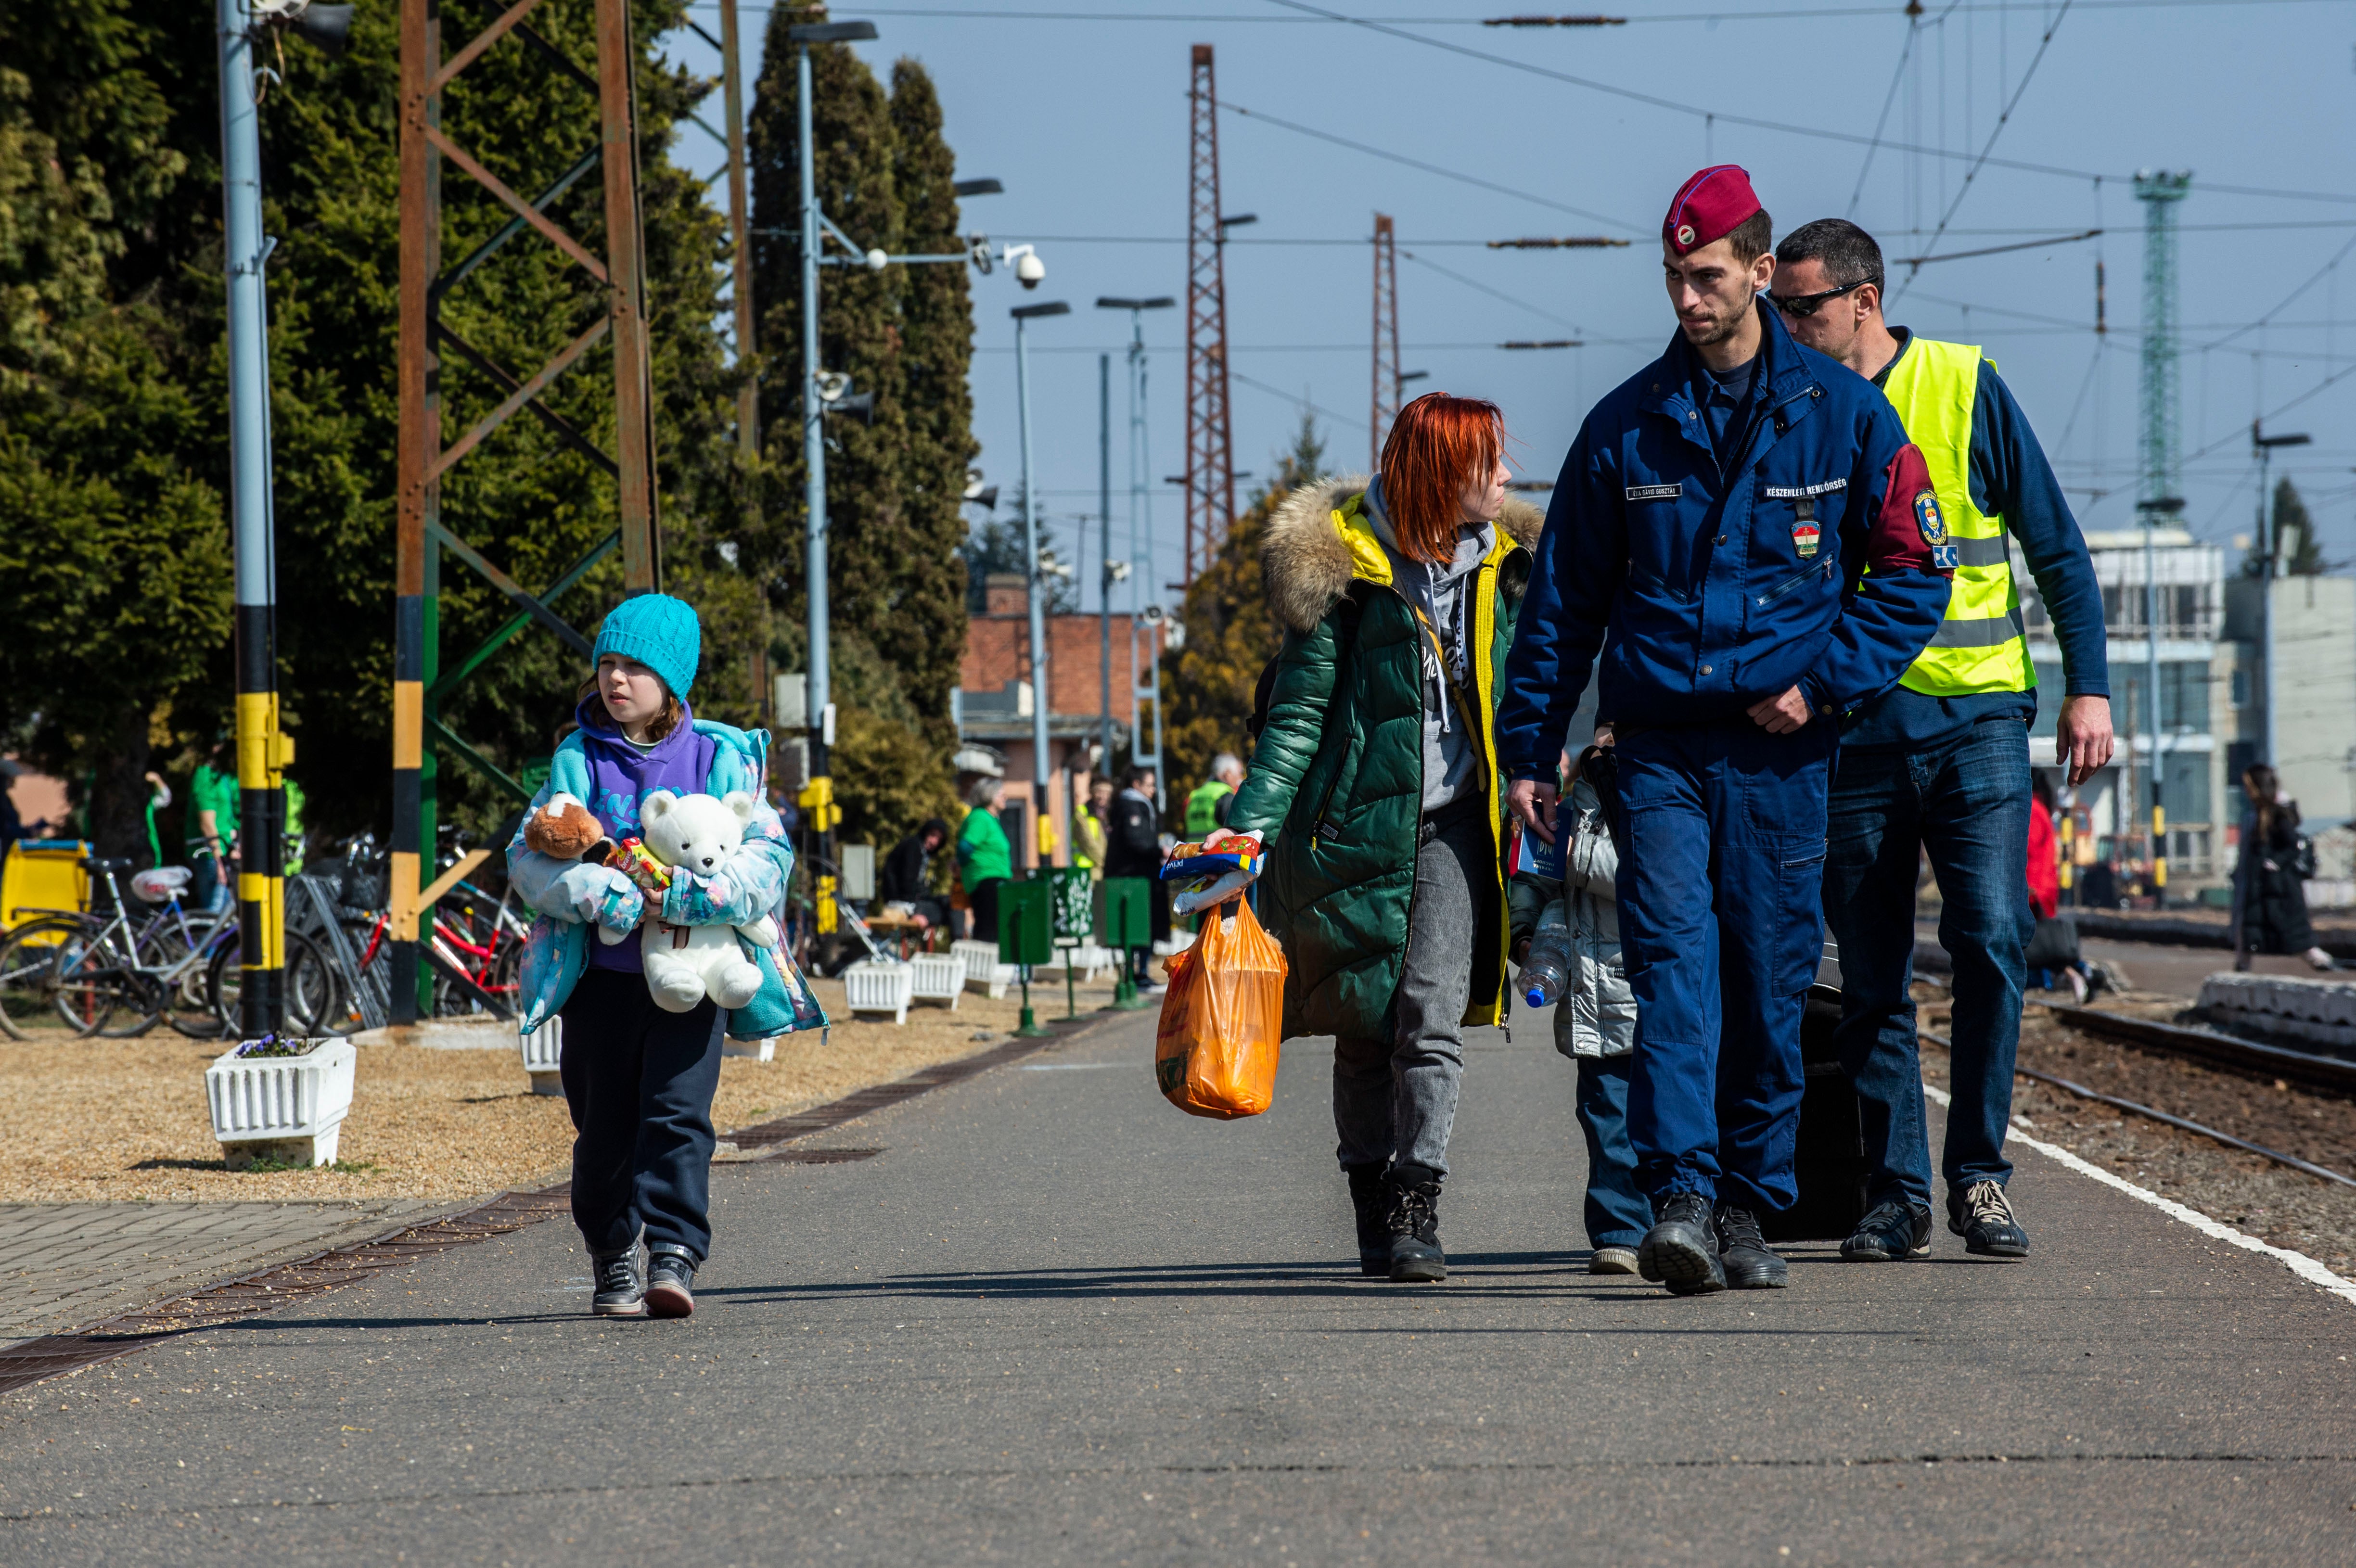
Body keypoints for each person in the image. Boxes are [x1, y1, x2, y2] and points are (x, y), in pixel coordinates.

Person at [1498, 167, 1952, 1297]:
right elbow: (1559, 606)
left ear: (1758, 271)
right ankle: (1682, 1198)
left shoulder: (1846, 417)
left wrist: (1824, 686)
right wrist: (1527, 753)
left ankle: (1751, 1201)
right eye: (1673, 277)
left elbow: (1912, 570)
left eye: (1706, 277)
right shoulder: (1625, 428)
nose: (1686, 299)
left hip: (1780, 753)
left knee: (1767, 981)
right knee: (1669, 972)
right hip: (1656, 751)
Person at [1769, 217, 2114, 1265]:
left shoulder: (1965, 386)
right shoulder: (1793, 407)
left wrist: (2087, 689)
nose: (1784, 325)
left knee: (1994, 941)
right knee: (1869, 978)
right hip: (1853, 735)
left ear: (1863, 301)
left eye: (1803, 308)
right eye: (1778, 309)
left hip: (1978, 724)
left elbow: (2054, 544)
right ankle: (1898, 1193)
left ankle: (1979, 1178)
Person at [1221, 390, 1541, 1284]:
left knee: (1429, 1017)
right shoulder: (1347, 573)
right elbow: (1295, 717)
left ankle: (1416, 1197)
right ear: (1444, 475)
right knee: (1366, 1024)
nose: (1509, 476)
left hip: (1457, 826)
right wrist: (1246, 834)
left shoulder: (1510, 566)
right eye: (1491, 462)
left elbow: (1544, 684)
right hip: (1351, 826)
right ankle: (1369, 1187)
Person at [506, 593, 798, 1320]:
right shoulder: (575, 759)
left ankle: (673, 1252)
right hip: (600, 984)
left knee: (677, 1116)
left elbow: (769, 853)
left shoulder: (720, 755)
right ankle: (612, 1254)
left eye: (635, 666)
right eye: (607, 663)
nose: (616, 679)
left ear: (672, 679)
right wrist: (597, 891)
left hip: (693, 981)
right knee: (603, 1125)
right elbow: (530, 853)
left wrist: (702, 897)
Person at [1509, 744, 1648, 1275]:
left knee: (1665, 1112)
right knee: (1607, 1117)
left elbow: (1654, 871)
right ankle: (1620, 1228)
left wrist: (1578, 856)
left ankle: (1678, 1211)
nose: (1612, 739)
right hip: (1595, 997)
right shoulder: (1568, 804)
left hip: (1649, 988)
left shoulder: (1661, 794)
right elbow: (1536, 877)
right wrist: (1524, 934)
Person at [2231, 764, 2335, 972]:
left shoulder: (2278, 814)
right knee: (2251, 930)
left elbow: (2292, 846)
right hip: (2263, 887)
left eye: (2249, 786)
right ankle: (2243, 964)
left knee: (2290, 931)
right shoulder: (2256, 814)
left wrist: (2273, 864)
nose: (2246, 790)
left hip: (2279, 889)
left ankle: (2319, 960)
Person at [2024, 773, 2095, 1004]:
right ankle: (2080, 975)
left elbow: (2029, 851)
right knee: (2046, 947)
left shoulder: (2031, 810)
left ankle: (2081, 974)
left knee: (2040, 946)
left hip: (2033, 891)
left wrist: (2028, 888)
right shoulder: (2040, 809)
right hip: (2040, 889)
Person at [1104, 766, 1165, 990]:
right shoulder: (1133, 806)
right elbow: (1136, 840)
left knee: (1134, 927)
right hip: (1135, 877)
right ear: (1137, 785)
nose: (1153, 790)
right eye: (1150, 785)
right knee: (1140, 925)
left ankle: (1136, 973)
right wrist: (1160, 851)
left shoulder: (1128, 805)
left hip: (1130, 876)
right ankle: (1139, 974)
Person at [956, 779, 1012, 943]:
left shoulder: (991, 819)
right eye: (1001, 794)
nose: (1005, 797)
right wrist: (961, 864)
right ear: (989, 797)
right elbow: (965, 847)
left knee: (994, 928)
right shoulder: (980, 817)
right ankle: (987, 965)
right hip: (986, 879)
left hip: (993, 879)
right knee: (988, 929)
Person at [188, 735, 238, 914]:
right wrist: (219, 861)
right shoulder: (205, 775)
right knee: (215, 916)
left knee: (223, 914)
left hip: (222, 853)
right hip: (210, 856)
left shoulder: (221, 777)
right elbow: (207, 824)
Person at [880, 817, 951, 933]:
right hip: (900, 902)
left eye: (939, 839)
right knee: (946, 908)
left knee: (945, 902)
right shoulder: (913, 847)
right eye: (933, 835)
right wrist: (917, 912)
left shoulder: (921, 851)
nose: (934, 842)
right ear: (926, 832)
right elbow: (907, 882)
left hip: (908, 900)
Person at [1185, 754, 1243, 838]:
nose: (1240, 778)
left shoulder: (1195, 795)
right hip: (1215, 849)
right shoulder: (1225, 796)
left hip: (1191, 849)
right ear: (1228, 774)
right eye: (1239, 773)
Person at [1073, 777, 1112, 876]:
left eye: (1107, 793)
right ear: (1092, 793)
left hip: (1106, 870)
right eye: (1099, 792)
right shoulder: (1082, 813)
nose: (1103, 796)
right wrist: (1108, 863)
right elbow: (1088, 843)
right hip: (1089, 871)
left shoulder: (1111, 814)